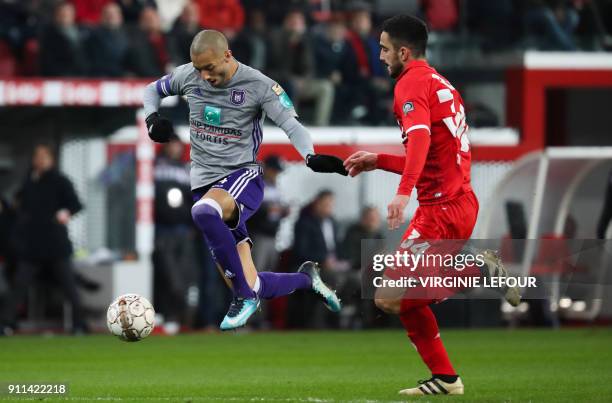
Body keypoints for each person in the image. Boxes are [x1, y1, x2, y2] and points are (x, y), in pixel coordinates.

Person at [343, 15, 520, 396]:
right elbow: (435, 154)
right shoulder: (441, 83)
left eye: (385, 49)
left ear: (403, 52)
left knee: (388, 298)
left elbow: (421, 143)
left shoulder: (410, 84)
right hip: (458, 202)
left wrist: (403, 192)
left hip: (439, 212)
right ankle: (446, 379)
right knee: (403, 302)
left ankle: (475, 270)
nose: (380, 56)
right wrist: (380, 160)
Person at [142, 29, 347, 330]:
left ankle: (243, 298)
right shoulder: (188, 75)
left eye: (209, 68)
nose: (204, 76)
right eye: (199, 69)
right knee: (248, 282)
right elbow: (151, 91)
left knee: (203, 213)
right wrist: (151, 120)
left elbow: (292, 125)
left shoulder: (260, 85)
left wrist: (309, 156)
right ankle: (306, 280)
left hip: (242, 177)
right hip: (205, 186)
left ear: (227, 55)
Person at [1, 144, 87, 335]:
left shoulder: (60, 181)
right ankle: (6, 323)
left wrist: (65, 212)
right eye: (37, 156)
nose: (40, 160)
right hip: (33, 246)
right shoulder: (29, 181)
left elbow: (76, 204)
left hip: (56, 244)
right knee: (19, 285)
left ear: (51, 159)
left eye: (44, 157)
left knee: (69, 285)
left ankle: (79, 324)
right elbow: (18, 205)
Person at [152, 134, 198, 334]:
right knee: (167, 275)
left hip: (183, 230)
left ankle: (179, 317)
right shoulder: (154, 167)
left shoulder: (186, 169)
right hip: (161, 229)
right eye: (170, 143)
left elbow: (195, 199)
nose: (174, 147)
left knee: (183, 276)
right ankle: (167, 315)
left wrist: (194, 227)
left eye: (177, 144)